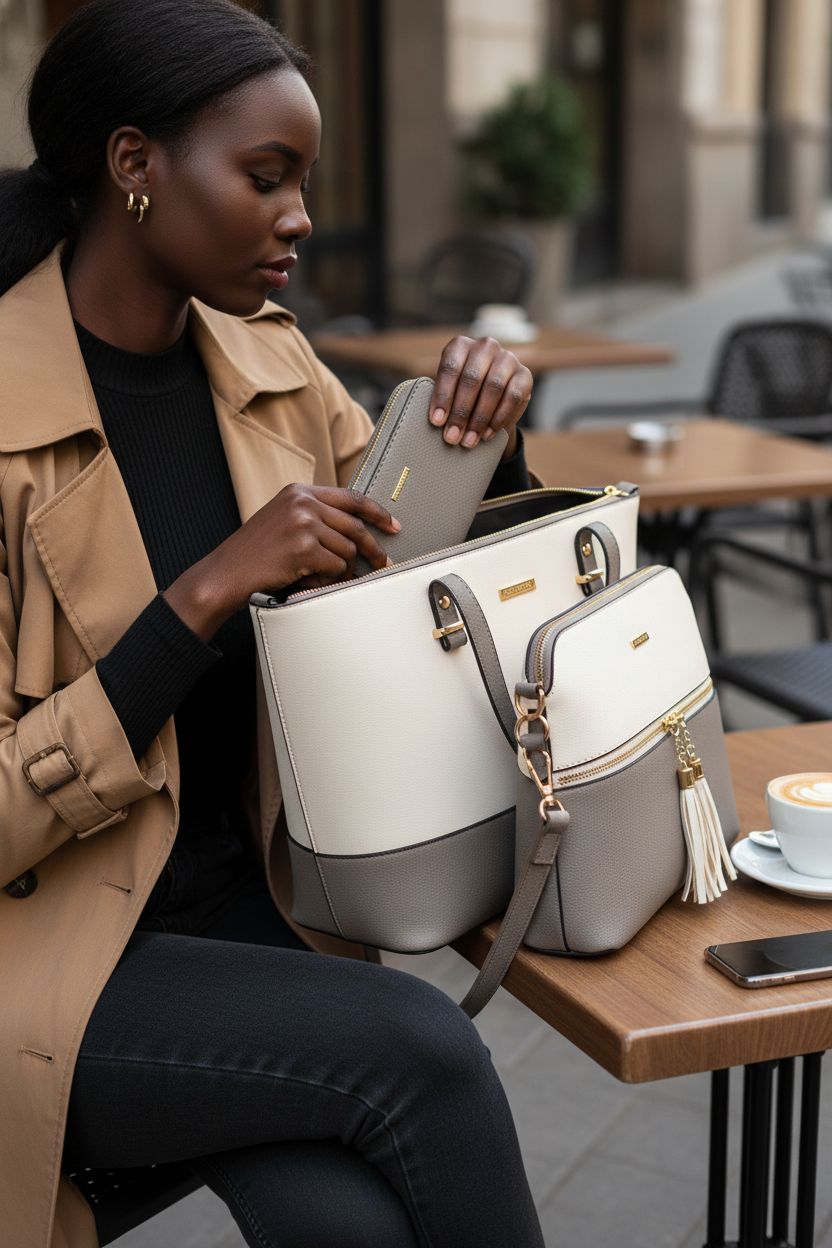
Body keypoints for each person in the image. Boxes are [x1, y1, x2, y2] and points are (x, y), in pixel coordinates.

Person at [0, 2, 544, 1246]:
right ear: (134, 166)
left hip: (245, 921)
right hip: (53, 956)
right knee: (420, 1044)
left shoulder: (278, 374)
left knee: (351, 1226)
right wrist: (201, 594)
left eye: (304, 180)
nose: (300, 216)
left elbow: (417, 607)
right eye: (266, 176)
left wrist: (486, 446)